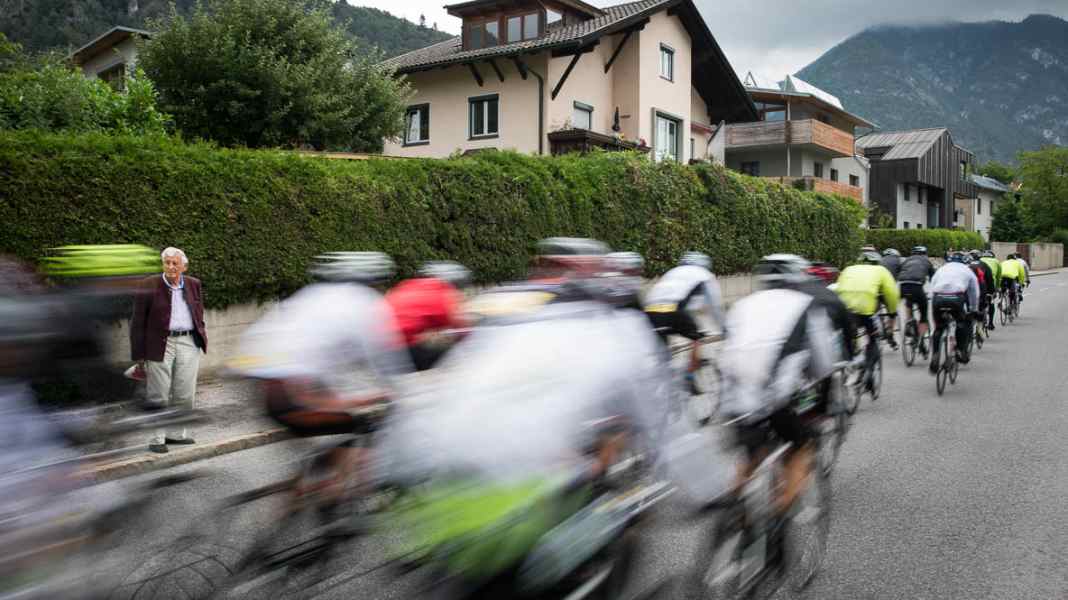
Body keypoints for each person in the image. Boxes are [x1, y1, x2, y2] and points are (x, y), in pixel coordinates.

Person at [229, 251, 412, 510]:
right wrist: (397, 392)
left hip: (254, 378)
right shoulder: (365, 304)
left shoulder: (313, 294)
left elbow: (319, 359)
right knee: (356, 425)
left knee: (329, 418)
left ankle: (305, 488)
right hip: (290, 387)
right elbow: (384, 359)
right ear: (374, 280)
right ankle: (332, 497)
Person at [718, 258, 836, 557]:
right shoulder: (805, 306)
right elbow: (824, 364)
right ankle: (777, 521)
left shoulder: (743, 305)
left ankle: (734, 515)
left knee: (751, 455)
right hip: (776, 399)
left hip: (735, 400)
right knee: (803, 445)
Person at [130, 247, 208, 453]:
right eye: (167, 263)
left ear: (184, 266)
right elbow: (137, 322)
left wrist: (201, 334)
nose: (171, 267)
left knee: (185, 393)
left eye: (175, 263)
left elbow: (198, 312)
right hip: (160, 342)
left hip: (188, 341)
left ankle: (176, 434)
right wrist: (139, 355)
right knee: (159, 393)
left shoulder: (193, 284)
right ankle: (157, 439)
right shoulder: (149, 285)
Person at [643, 251, 726, 372]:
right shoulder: (704, 275)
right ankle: (691, 373)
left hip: (650, 311)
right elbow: (715, 306)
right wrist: (723, 328)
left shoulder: (672, 272)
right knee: (697, 337)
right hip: (671, 310)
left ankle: (663, 374)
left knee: (662, 356)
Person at [385, 261, 472, 371]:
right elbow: (461, 328)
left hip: (376, 343)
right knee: (450, 357)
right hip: (397, 349)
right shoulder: (442, 293)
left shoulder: (406, 285)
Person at [834, 251, 900, 388]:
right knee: (873, 339)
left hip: (844, 309)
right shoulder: (881, 270)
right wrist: (892, 312)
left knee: (849, 337)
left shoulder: (848, 269)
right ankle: (868, 371)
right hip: (865, 310)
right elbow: (891, 292)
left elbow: (838, 287)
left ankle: (850, 362)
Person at [929, 253, 980, 373]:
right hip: (956, 298)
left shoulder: (941, 269)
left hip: (938, 298)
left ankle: (935, 355)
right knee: (961, 322)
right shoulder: (967, 270)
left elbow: (932, 286)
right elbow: (974, 292)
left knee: (939, 327)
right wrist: (973, 309)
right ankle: (959, 350)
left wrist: (934, 303)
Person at [897, 245, 936, 356]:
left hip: (903, 286)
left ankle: (909, 322)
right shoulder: (926, 261)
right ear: (925, 253)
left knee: (908, 301)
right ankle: (921, 341)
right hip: (917, 287)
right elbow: (934, 278)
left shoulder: (906, 260)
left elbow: (900, 272)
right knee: (923, 315)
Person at [967, 251, 995, 331]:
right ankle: (986, 324)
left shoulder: (967, 265)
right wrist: (991, 292)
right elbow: (989, 279)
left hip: (968, 288)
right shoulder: (984, 265)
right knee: (985, 304)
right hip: (981, 287)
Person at [978, 250, 1002, 330]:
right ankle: (991, 323)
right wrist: (998, 287)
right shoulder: (996, 261)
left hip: (979, 282)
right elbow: (999, 276)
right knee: (991, 301)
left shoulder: (980, 261)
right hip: (990, 282)